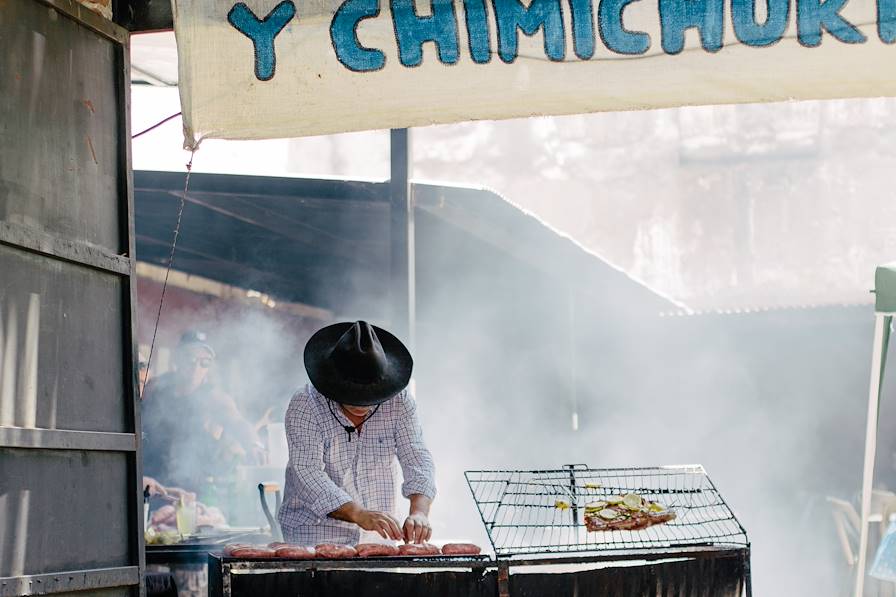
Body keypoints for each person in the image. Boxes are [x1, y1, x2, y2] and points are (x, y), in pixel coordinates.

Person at [277, 321, 436, 546]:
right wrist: (358, 514)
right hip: (314, 534)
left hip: (379, 537)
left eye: (371, 395)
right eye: (351, 394)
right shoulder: (306, 403)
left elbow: (417, 458)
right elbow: (307, 473)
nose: (361, 404)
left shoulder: (400, 402)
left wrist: (419, 513)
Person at [141, 330, 261, 490]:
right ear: (178, 359)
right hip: (149, 483)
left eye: (204, 362)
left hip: (191, 492)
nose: (196, 367)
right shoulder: (155, 387)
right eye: (191, 359)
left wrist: (254, 444)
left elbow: (238, 422)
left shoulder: (213, 399)